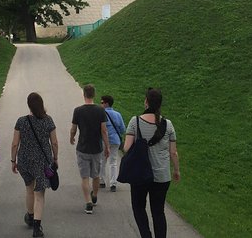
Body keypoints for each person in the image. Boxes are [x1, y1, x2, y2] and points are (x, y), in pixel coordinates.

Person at [123, 88, 180, 238]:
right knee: (158, 211)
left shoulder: (135, 121)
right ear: (160, 104)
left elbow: (126, 147)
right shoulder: (168, 124)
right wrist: (176, 170)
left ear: (146, 102)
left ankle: (146, 235)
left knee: (139, 207)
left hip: (140, 174)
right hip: (161, 175)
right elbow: (173, 152)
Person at [11, 92, 59, 238]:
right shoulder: (48, 120)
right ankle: (37, 228)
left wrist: (13, 161)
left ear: (29, 105)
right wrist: (55, 158)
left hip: (24, 160)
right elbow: (55, 142)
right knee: (40, 194)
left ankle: (30, 216)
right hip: (42, 162)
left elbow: (14, 144)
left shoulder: (21, 121)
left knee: (29, 189)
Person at [70, 84, 110, 214]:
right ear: (94, 94)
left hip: (82, 147)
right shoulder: (100, 110)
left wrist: (71, 137)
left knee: (85, 177)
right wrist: (107, 146)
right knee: (96, 175)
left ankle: (88, 203)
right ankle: (94, 195)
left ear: (84, 94)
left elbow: (74, 128)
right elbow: (104, 130)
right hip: (97, 148)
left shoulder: (78, 110)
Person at [99, 95, 126, 192]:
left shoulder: (101, 114)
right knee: (113, 162)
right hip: (115, 141)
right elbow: (123, 129)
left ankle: (102, 181)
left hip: (103, 141)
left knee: (102, 161)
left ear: (106, 103)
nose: (100, 104)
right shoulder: (118, 114)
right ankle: (113, 183)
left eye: (102, 102)